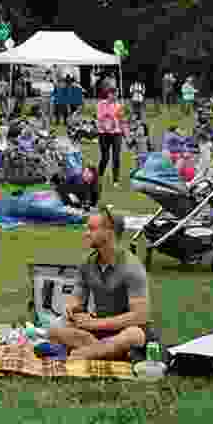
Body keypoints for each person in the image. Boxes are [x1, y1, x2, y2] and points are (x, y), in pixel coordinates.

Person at [42, 208, 156, 361]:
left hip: (127, 330)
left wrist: (94, 324)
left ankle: (88, 352)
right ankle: (104, 351)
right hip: (99, 331)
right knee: (54, 331)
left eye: (92, 229)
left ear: (110, 232)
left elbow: (139, 316)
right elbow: (77, 298)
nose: (86, 233)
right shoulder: (87, 263)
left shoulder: (132, 267)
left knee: (133, 335)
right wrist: (72, 307)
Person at [96, 88, 128, 188]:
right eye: (113, 94)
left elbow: (122, 120)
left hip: (116, 134)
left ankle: (115, 180)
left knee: (116, 157)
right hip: (103, 133)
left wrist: (126, 134)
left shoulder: (119, 106)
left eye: (116, 95)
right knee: (105, 157)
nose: (115, 96)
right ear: (109, 94)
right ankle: (99, 176)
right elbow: (100, 117)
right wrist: (107, 125)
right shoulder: (101, 104)